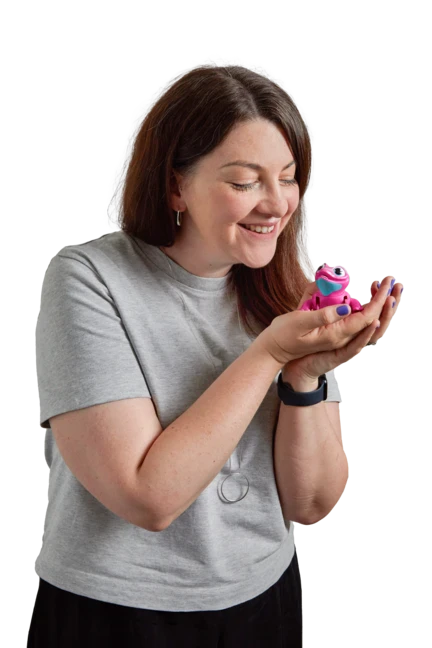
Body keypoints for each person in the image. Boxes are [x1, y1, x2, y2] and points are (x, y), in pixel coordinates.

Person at [29, 59, 399, 647]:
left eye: (288, 174)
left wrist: (304, 377)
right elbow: (148, 499)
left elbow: (312, 504)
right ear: (176, 184)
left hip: (264, 598)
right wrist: (267, 354)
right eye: (245, 180)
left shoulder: (286, 289)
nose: (278, 203)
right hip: (118, 612)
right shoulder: (89, 280)